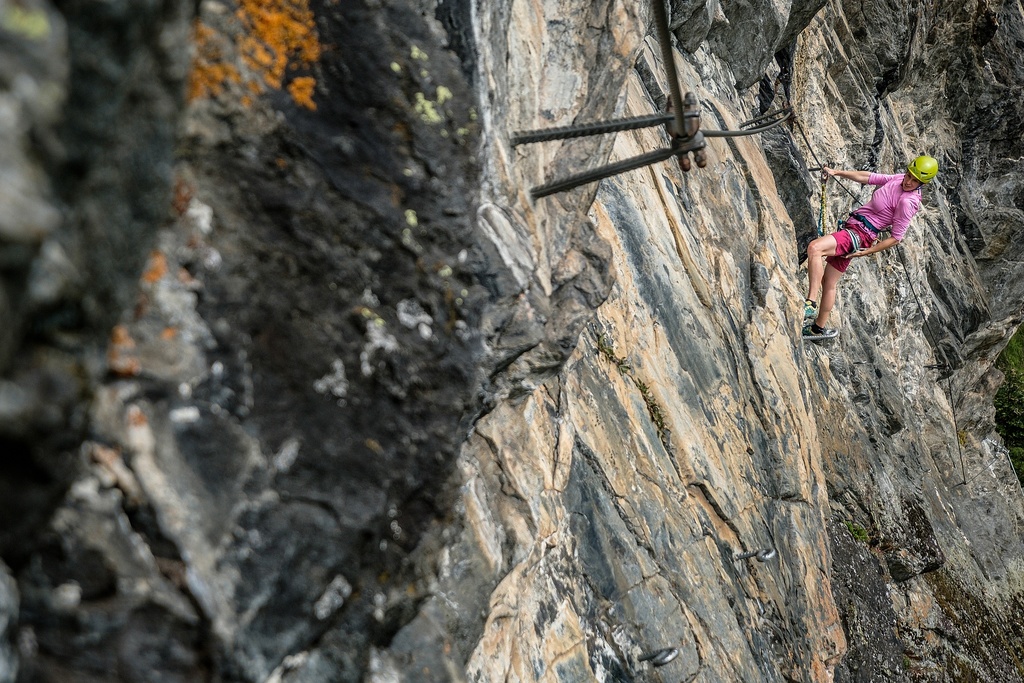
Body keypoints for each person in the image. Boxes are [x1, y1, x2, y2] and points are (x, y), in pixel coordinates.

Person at [803, 155, 939, 338]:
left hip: (860, 235)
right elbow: (869, 178)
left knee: (815, 248)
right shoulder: (899, 179)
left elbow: (896, 237)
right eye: (909, 175)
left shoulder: (907, 202)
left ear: (923, 183)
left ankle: (809, 304)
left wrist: (867, 251)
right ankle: (817, 329)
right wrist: (837, 172)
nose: (909, 181)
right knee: (829, 282)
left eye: (916, 181)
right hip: (854, 228)